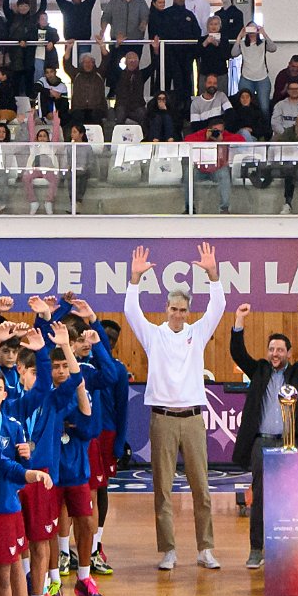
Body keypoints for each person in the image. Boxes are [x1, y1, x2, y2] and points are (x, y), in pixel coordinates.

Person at [118, 245, 235, 574]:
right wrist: (135, 279)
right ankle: (168, 550)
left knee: (202, 488)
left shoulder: (197, 333)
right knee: (163, 489)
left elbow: (218, 306)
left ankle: (205, 549)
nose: (178, 314)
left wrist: (213, 276)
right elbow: (130, 311)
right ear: (166, 308)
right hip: (162, 420)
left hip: (194, 419)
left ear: (188, 311)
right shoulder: (153, 335)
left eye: (183, 309)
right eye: (173, 308)